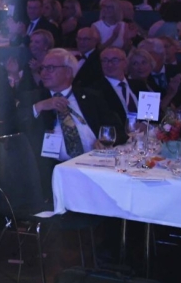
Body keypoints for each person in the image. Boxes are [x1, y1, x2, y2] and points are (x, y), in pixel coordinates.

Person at [18, 48, 127, 193]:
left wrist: (103, 140)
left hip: (95, 165)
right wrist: (40, 106)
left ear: (68, 72)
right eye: (42, 68)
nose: (44, 73)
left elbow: (118, 130)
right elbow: (11, 124)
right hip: (55, 171)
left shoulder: (91, 97)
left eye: (50, 68)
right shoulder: (33, 98)